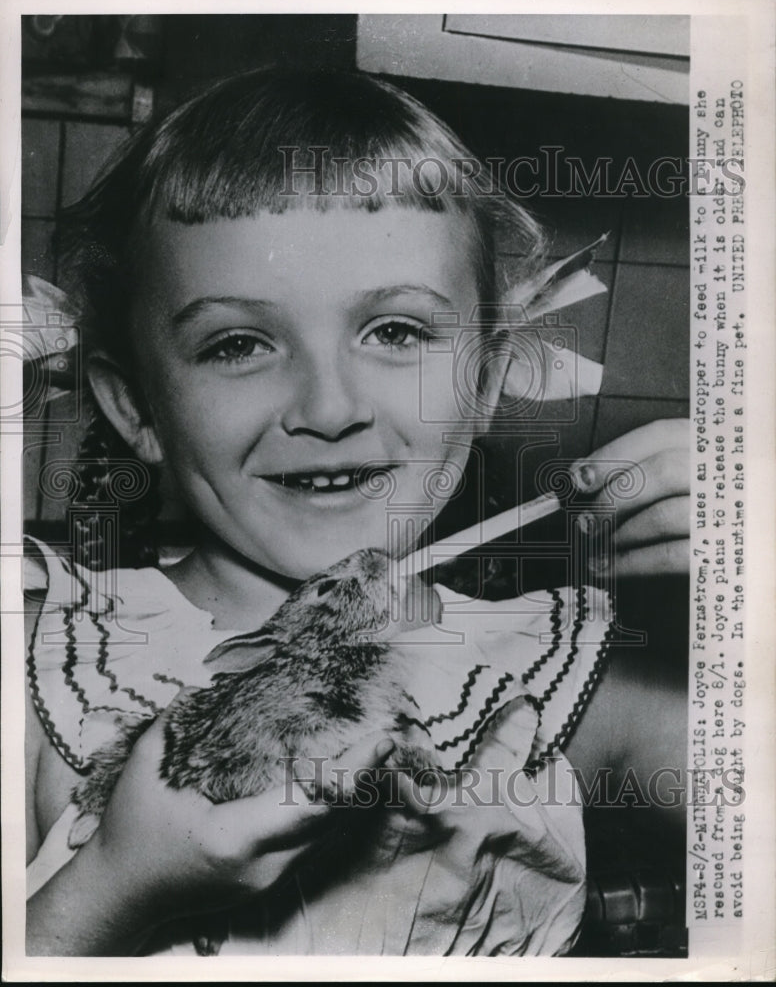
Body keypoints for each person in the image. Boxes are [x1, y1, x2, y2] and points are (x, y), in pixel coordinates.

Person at [24, 68, 689, 956]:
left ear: (487, 379)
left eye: (397, 333)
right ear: (136, 407)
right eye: (238, 344)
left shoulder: (570, 678)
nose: (329, 408)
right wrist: (112, 885)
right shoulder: (44, 652)